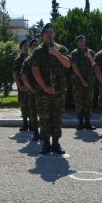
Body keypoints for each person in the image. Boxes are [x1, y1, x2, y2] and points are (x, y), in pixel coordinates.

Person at [30, 23, 71, 154]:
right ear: (43, 35)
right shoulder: (38, 51)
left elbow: (68, 64)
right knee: (44, 118)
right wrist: (46, 87)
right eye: (47, 32)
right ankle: (46, 143)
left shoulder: (61, 49)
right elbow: (35, 70)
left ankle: (56, 144)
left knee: (57, 117)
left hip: (58, 91)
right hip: (43, 92)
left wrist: (57, 53)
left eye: (51, 32)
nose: (49, 34)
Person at [70, 35, 96, 130]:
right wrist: (82, 80)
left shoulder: (91, 52)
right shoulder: (74, 53)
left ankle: (88, 123)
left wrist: (89, 57)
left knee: (89, 101)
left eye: (83, 41)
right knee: (79, 102)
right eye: (80, 41)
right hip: (78, 82)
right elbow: (74, 67)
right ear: (77, 43)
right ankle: (81, 123)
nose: (82, 43)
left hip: (89, 81)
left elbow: (94, 65)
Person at [20, 38, 40, 141]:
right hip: (33, 91)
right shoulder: (29, 60)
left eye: (37, 44)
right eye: (33, 45)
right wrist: (31, 89)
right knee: (33, 113)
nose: (36, 46)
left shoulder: (43, 58)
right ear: (31, 47)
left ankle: (45, 134)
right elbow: (23, 76)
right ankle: (36, 133)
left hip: (44, 91)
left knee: (45, 113)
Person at [13, 39, 31, 131]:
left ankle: (32, 124)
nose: (26, 47)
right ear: (21, 48)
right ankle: (25, 124)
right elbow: (15, 74)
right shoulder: (18, 59)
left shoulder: (32, 58)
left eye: (27, 45)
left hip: (31, 87)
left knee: (32, 105)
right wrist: (20, 86)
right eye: (24, 46)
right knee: (23, 105)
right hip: (22, 87)